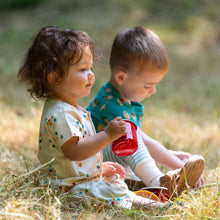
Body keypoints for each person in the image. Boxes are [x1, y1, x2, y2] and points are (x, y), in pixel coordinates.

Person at [17, 25, 175, 209]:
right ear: (54, 79)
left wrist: (99, 168)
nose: (91, 74)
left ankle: (139, 194)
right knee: (108, 190)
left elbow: (77, 158)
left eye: (90, 67)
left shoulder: (70, 108)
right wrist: (107, 135)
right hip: (67, 188)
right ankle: (148, 204)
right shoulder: (60, 113)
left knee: (113, 181)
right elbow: (75, 152)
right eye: (83, 69)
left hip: (77, 180)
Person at [87, 26, 205, 198]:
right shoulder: (112, 106)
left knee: (132, 142)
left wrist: (172, 155)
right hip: (93, 162)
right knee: (131, 139)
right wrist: (179, 166)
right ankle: (161, 185)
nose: (153, 91)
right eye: (148, 86)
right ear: (121, 77)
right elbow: (146, 144)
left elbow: (143, 147)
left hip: (110, 161)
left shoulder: (118, 97)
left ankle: (143, 183)